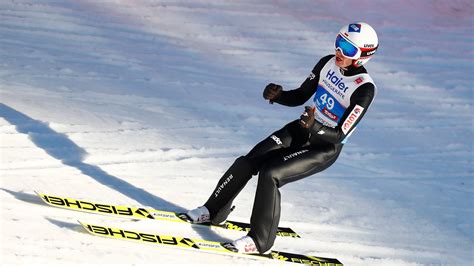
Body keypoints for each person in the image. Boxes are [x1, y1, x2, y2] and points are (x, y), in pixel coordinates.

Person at [184, 22, 379, 254]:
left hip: (324, 147)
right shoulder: (327, 62)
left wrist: (315, 126)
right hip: (301, 129)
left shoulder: (364, 89)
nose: (339, 52)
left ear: (363, 57)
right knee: (250, 160)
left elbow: (339, 135)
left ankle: (260, 241)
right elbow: (301, 95)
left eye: (348, 49)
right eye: (339, 43)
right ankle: (213, 211)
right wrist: (279, 96)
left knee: (271, 174)